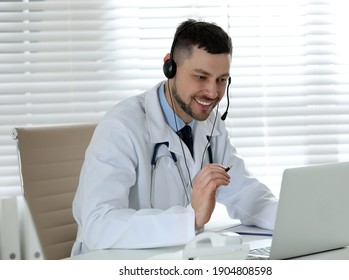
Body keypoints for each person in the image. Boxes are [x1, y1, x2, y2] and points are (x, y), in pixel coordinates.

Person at [71, 19, 278, 256]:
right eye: (201, 77)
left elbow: (244, 192)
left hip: (175, 257)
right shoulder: (121, 127)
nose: (212, 93)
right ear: (170, 67)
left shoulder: (210, 125)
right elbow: (98, 225)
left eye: (222, 80)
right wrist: (190, 219)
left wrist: (295, 218)